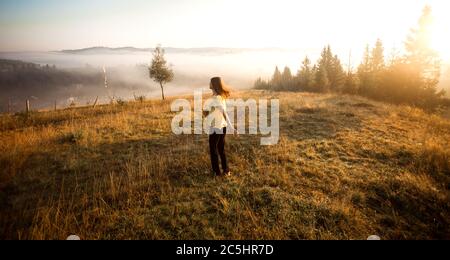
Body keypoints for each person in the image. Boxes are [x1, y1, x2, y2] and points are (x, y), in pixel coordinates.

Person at [207, 77, 235, 177]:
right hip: (221, 126)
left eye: (210, 82)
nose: (208, 83)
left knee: (213, 148)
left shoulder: (216, 98)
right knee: (220, 148)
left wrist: (231, 126)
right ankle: (226, 170)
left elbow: (224, 112)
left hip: (216, 127)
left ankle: (217, 172)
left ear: (214, 84)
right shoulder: (219, 96)